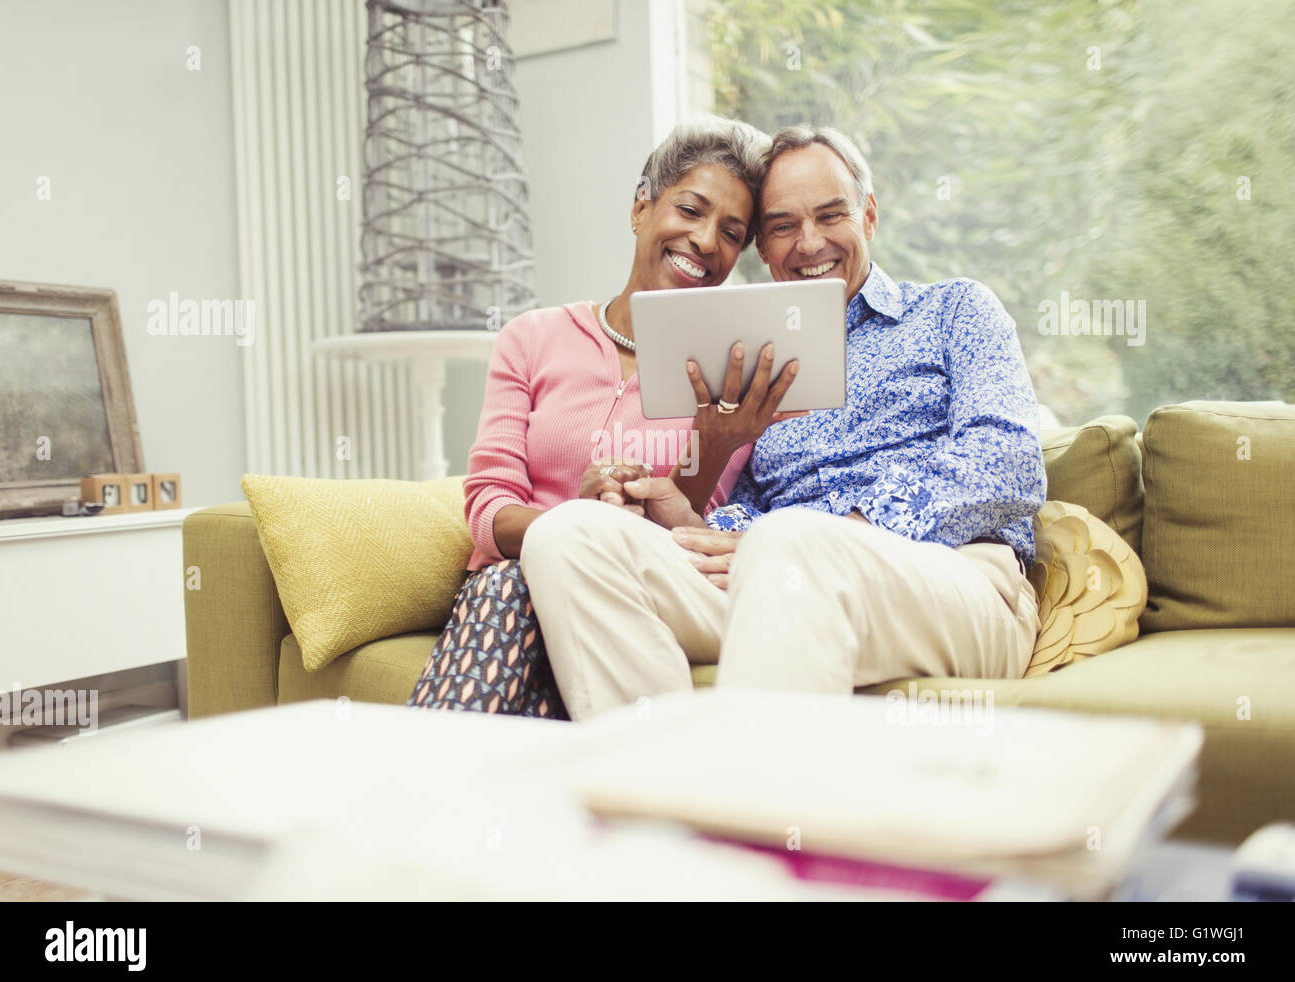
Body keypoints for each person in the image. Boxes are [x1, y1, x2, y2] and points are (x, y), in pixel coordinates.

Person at [520, 125, 1047, 720]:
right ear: (763, 251)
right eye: (783, 227)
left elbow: (1010, 463)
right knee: (569, 534)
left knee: (788, 539)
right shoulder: (749, 357)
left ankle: (755, 808)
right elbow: (750, 518)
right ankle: (661, 788)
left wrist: (847, 527)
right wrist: (685, 518)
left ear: (868, 217)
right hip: (778, 576)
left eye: (831, 215)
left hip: (953, 580)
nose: (810, 242)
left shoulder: (955, 309)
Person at [406, 116, 798, 719]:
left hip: (629, 591)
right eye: (689, 210)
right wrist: (576, 519)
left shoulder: (731, 368)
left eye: (730, 232)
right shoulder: (531, 338)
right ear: (641, 207)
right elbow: (488, 510)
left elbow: (691, 542)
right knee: (512, 590)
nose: (704, 241)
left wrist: (713, 446)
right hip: (513, 586)